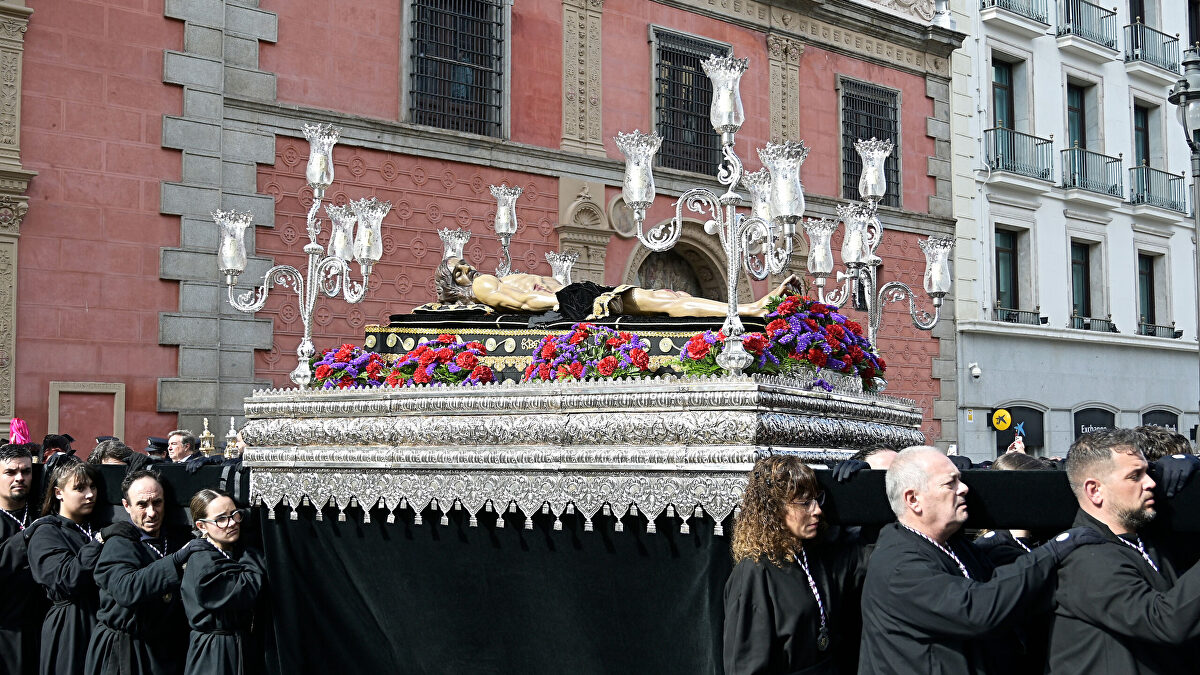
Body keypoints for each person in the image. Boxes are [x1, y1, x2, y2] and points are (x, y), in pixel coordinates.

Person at [857, 446, 1103, 675]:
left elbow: (999, 583)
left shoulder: (952, 545)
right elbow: (977, 609)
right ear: (913, 499)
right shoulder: (899, 566)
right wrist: (1056, 549)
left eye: (960, 480)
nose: (963, 488)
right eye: (950, 483)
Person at [1048, 428, 1200, 674]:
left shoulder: (1144, 540)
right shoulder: (1085, 558)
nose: (1151, 483)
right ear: (1094, 490)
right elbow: (1165, 621)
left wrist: (1189, 463)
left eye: (1149, 472)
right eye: (1135, 476)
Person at [723, 455, 867, 675]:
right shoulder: (754, 572)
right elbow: (745, 666)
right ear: (775, 509)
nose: (817, 510)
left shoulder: (816, 556)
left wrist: (866, 486)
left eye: (817, 500)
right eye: (805, 503)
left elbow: (871, 556)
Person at [84, 469, 210, 675]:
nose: (151, 512)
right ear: (127, 506)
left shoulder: (174, 539)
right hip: (124, 652)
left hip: (163, 649)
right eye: (142, 505)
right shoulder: (119, 543)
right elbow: (126, 589)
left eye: (157, 503)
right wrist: (176, 561)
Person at [435, 257, 801, 320]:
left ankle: (747, 310)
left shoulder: (490, 278)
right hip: (576, 301)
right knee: (665, 300)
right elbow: (524, 302)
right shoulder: (485, 284)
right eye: (459, 273)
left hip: (578, 296)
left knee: (670, 298)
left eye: (464, 264)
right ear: (456, 285)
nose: (468, 270)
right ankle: (750, 310)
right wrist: (560, 302)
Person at [26, 458, 104, 675]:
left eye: (93, 486)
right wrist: (99, 542)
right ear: (59, 493)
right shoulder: (46, 532)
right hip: (69, 627)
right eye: (79, 488)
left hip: (99, 622)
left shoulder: (96, 525)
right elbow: (65, 579)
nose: (90, 494)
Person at [182, 489, 266, 675]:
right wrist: (251, 552)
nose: (232, 522)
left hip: (235, 647)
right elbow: (248, 588)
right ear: (202, 526)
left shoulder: (229, 551)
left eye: (234, 514)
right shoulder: (203, 561)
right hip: (215, 654)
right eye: (221, 519)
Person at [0, 443, 42, 675]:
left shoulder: (42, 515)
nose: (19, 478)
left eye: (26, 471)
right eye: (10, 472)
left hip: (38, 632)